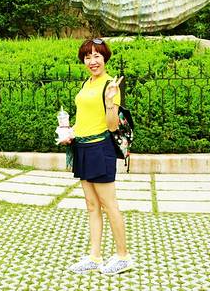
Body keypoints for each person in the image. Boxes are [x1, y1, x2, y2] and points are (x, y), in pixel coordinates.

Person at [61, 38, 134, 275]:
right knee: (92, 206)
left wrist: (110, 101)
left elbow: (112, 126)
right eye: (87, 57)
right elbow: (85, 116)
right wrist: (70, 132)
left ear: (105, 58)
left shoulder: (110, 85)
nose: (92, 61)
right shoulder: (87, 83)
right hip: (82, 147)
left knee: (109, 205)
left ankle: (123, 256)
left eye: (97, 56)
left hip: (100, 148)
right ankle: (95, 256)